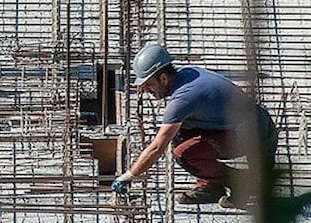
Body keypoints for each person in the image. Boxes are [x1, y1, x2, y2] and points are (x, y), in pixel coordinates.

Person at [111, 42, 278, 210]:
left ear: (163, 78)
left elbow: (156, 148)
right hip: (255, 123)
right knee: (180, 132)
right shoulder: (187, 73)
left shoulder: (182, 99)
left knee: (183, 153)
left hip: (255, 135)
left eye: (149, 84)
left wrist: (129, 175)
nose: (146, 90)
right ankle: (210, 188)